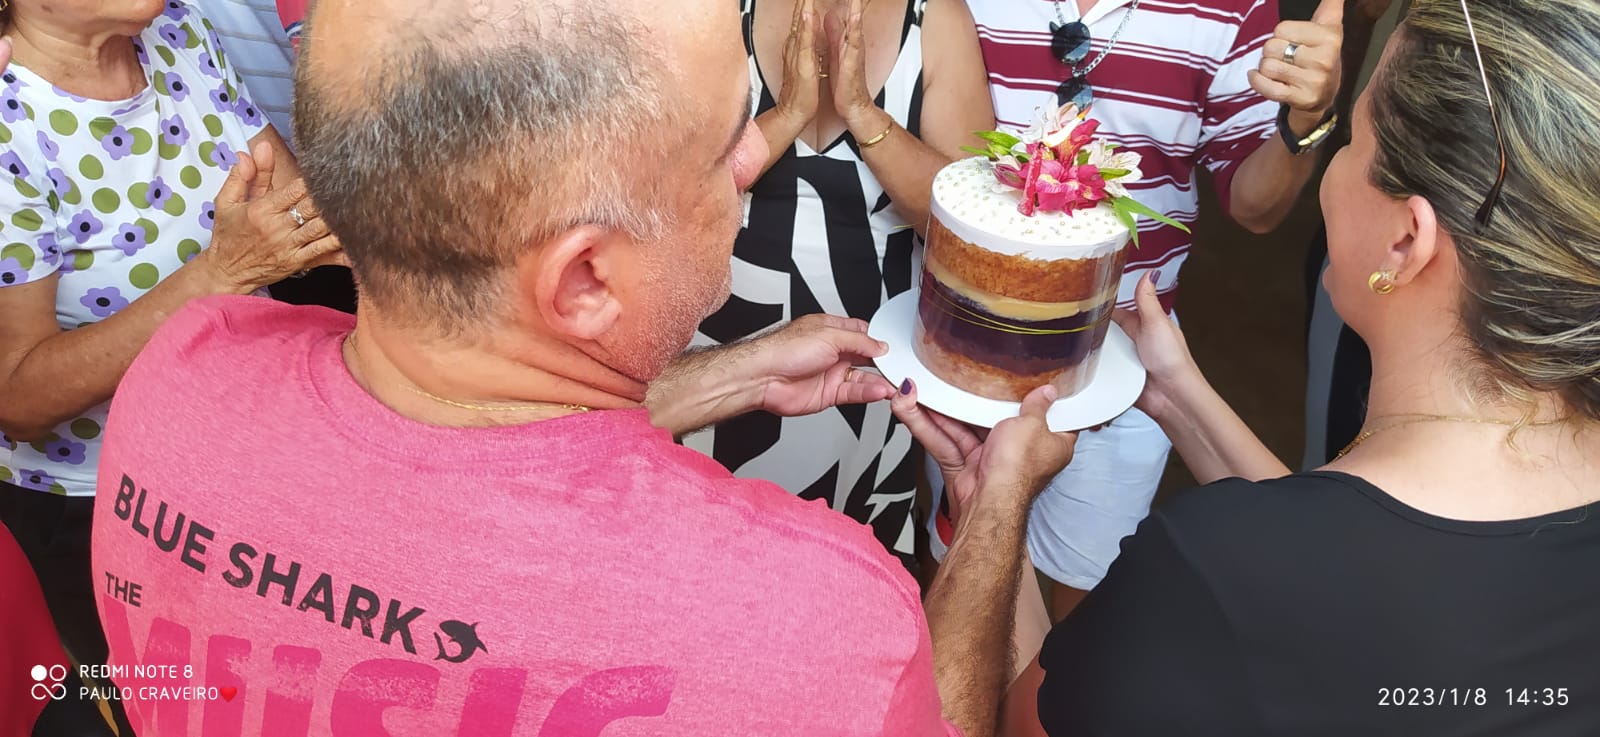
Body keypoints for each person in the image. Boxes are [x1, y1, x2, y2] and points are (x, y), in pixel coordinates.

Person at [90, 0, 1078, 734]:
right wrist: (992, 510)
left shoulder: (179, 374)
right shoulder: (815, 610)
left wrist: (726, 374)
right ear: (585, 278)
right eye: (718, 157)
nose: (749, 172)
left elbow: (469, 440)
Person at [983, 0, 1599, 731]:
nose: (1330, 167)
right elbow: (1339, 553)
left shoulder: (1209, 565)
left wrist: (995, 505)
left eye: (1350, 141)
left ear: (1407, 242)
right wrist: (1174, 392)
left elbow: (1024, 719)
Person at [941, 0, 1344, 614]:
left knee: (1085, 609)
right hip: (972, 341)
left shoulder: (1234, 11)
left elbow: (1254, 208)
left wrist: (1303, 122)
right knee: (959, 586)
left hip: (1124, 355)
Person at [0, 0, 335, 730]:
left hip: (251, 450)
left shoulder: (176, 28)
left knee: (274, 686)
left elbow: (293, 204)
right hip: (106, 500)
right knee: (176, 702)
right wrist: (220, 273)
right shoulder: (8, 123)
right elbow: (17, 397)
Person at [683, 0, 995, 562]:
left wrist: (862, 113)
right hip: (716, 353)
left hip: (865, 363)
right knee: (702, 555)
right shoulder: (717, 12)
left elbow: (969, 232)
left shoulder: (935, 21)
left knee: (845, 570)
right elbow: (669, 203)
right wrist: (788, 114)